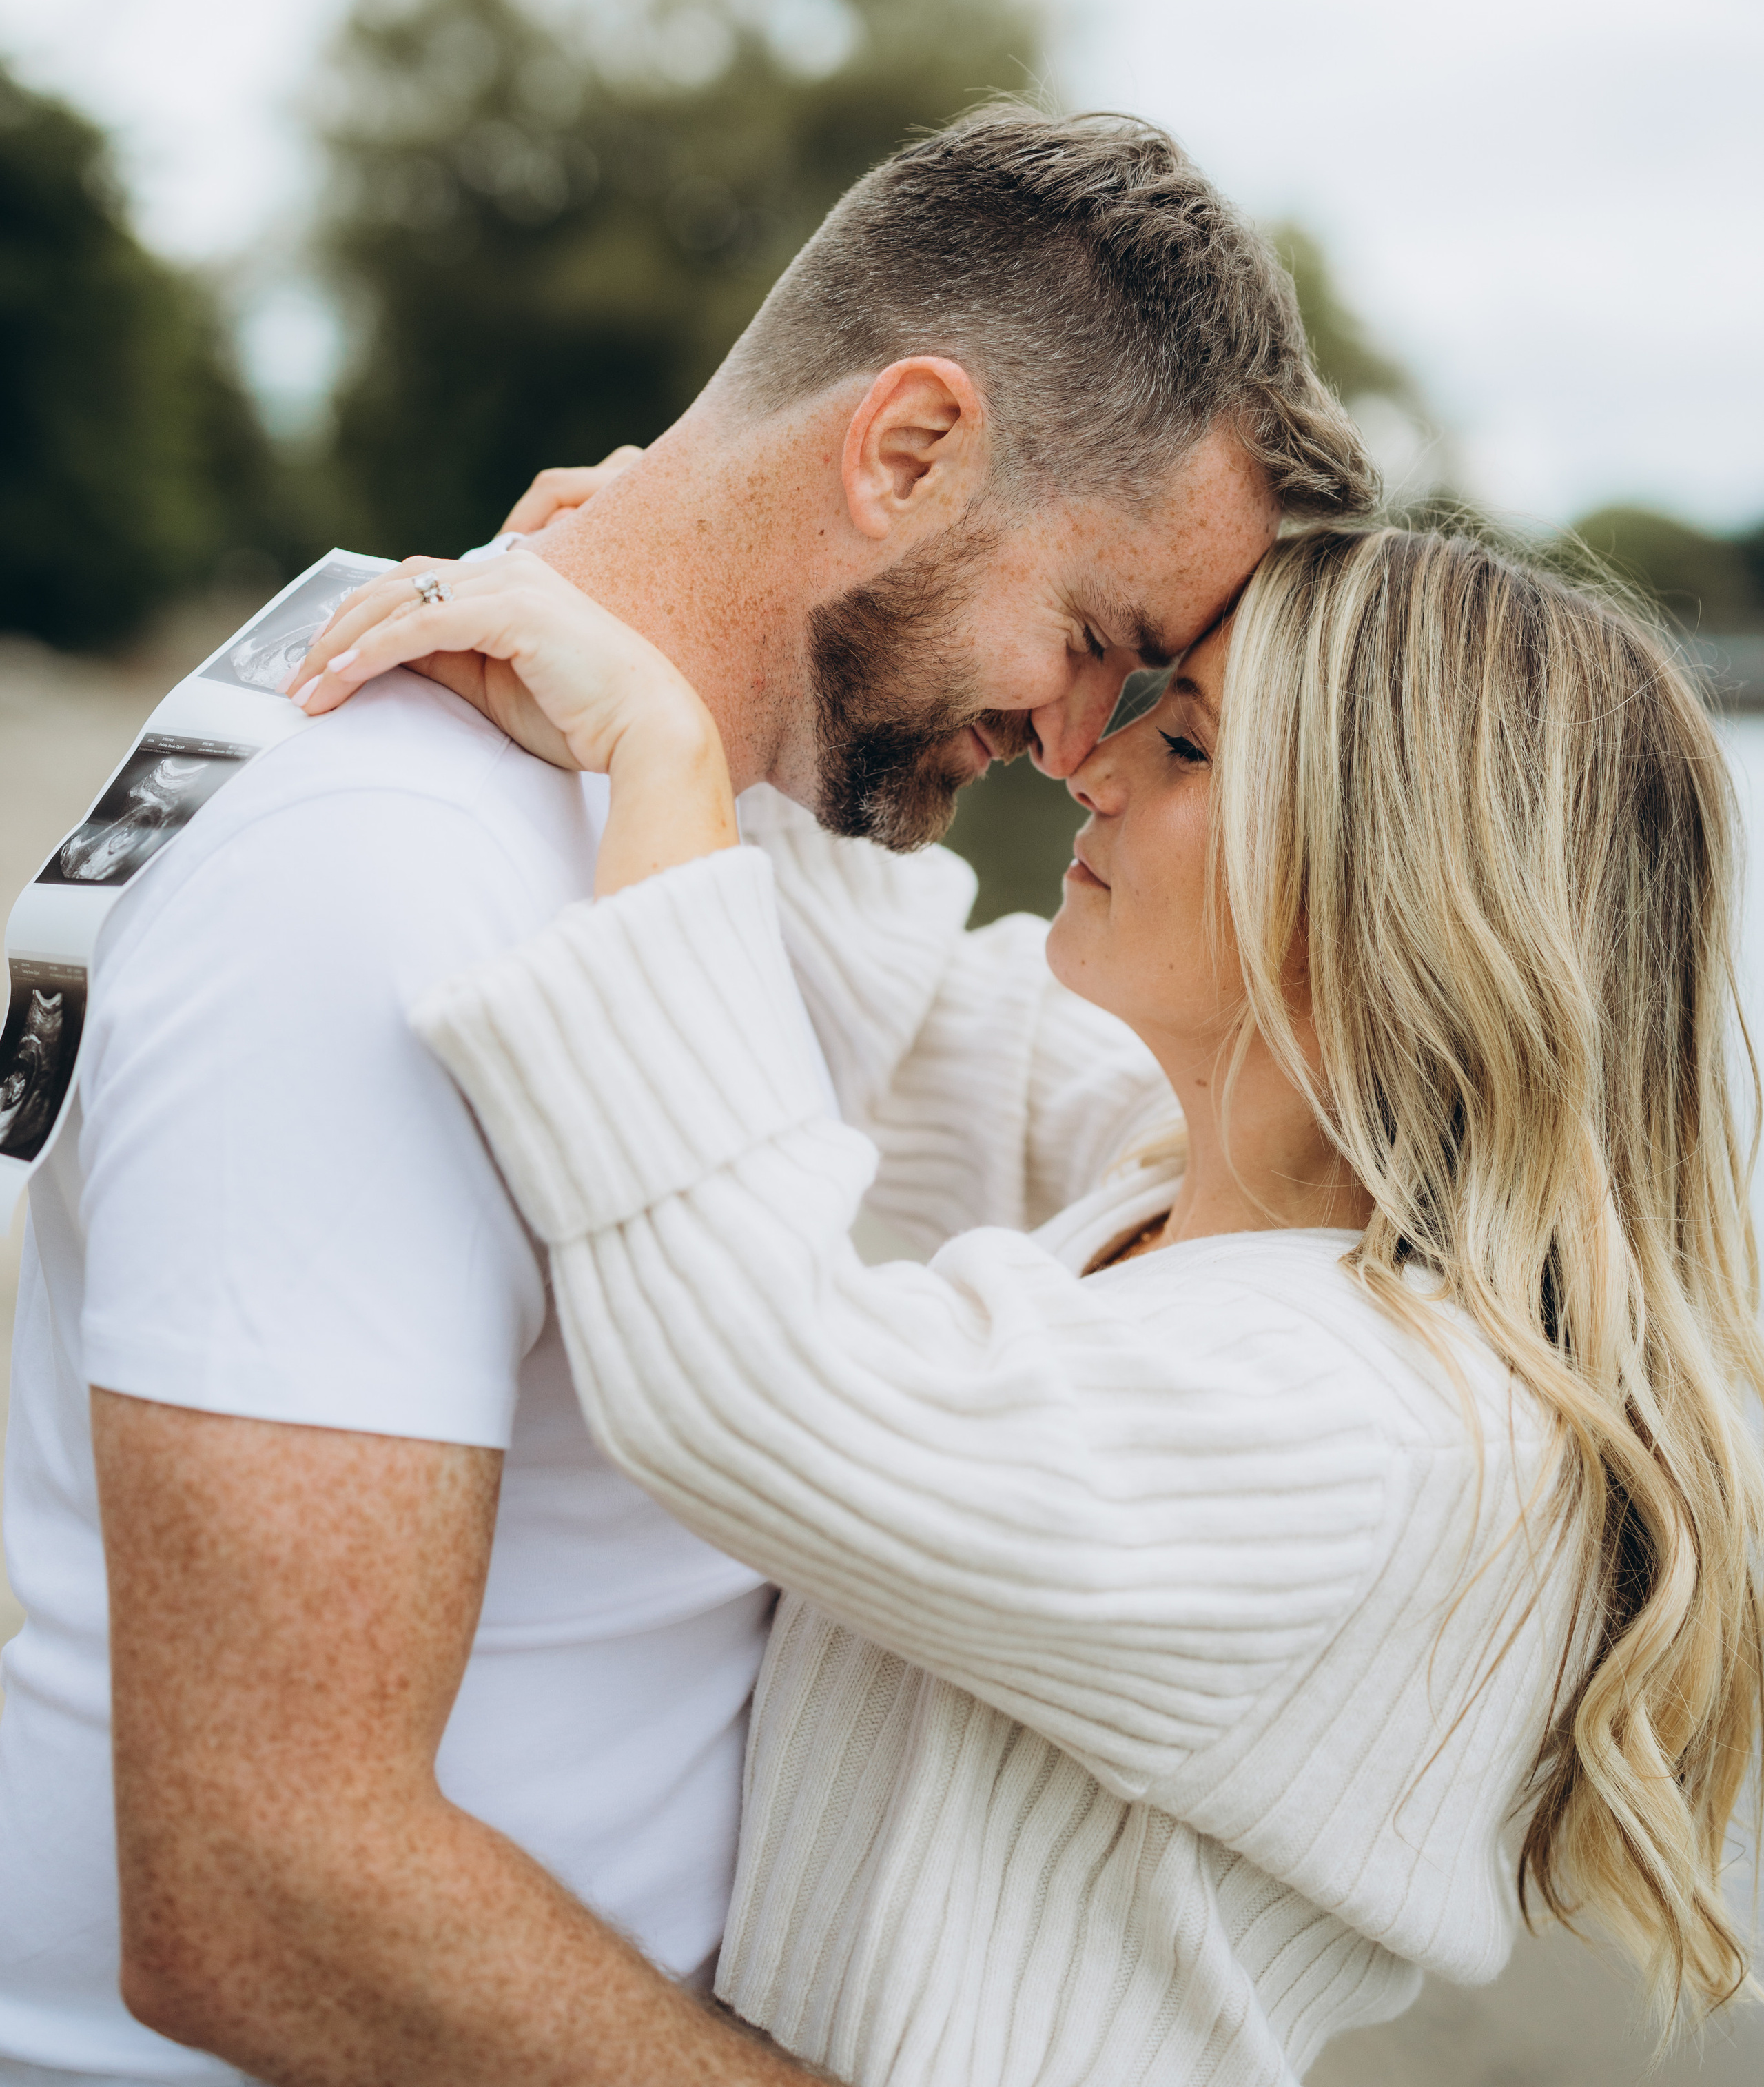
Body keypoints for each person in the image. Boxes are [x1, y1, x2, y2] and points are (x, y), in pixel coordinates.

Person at [0, 105, 1372, 2087]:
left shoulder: (676, 844)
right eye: (1097, 639)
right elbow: (266, 1884)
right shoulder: (393, 864)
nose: (1078, 739)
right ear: (907, 454)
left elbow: (1106, 1088)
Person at [296, 518, 1764, 2087]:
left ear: (1382, 895)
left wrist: (654, 747)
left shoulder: (1382, 1439)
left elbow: (753, 1379)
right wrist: (727, 592)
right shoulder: (1198, 1185)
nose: (1093, 769)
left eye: (1186, 742)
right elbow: (914, 1010)